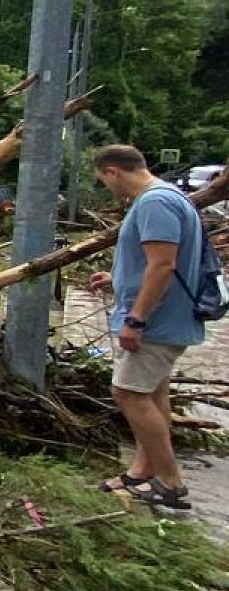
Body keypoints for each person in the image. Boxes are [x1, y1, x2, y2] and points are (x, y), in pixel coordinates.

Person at [85, 144, 207, 511]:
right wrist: (118, 277)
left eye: (104, 182)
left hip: (155, 321)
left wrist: (135, 319)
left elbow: (162, 266)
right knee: (153, 394)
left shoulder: (155, 202)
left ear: (112, 172)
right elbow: (157, 261)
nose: (109, 189)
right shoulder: (170, 197)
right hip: (165, 317)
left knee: (128, 394)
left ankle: (170, 483)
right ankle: (142, 472)